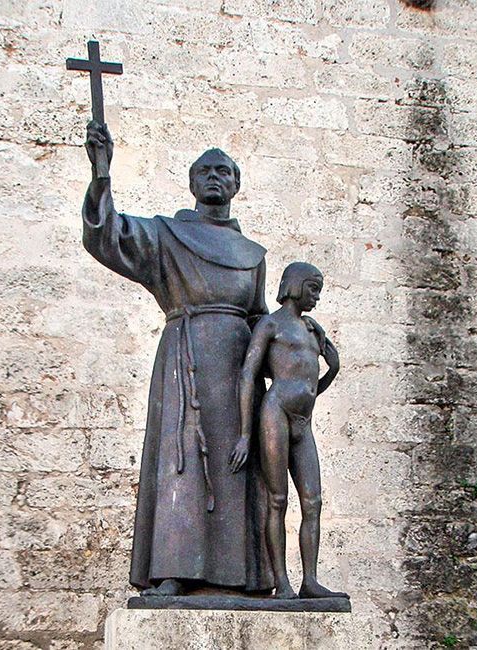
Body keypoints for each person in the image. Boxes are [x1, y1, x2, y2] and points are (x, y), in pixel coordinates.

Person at [82, 121, 272, 595]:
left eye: (223, 171)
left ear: (236, 184)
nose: (214, 177)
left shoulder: (253, 253)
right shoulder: (166, 236)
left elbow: (260, 317)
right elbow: (108, 236)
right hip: (184, 359)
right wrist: (101, 172)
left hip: (237, 372)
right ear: (191, 183)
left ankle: (245, 577)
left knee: (239, 468)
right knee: (180, 465)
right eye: (205, 171)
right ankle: (175, 571)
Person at [230, 262, 340, 599]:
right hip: (275, 414)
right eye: (312, 288)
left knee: (314, 501)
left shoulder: (310, 330)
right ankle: (283, 582)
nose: (317, 296)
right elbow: (249, 374)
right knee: (277, 500)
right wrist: (246, 433)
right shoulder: (271, 324)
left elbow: (311, 385)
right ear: (294, 285)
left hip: (302, 423)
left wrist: (332, 367)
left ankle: (310, 579)